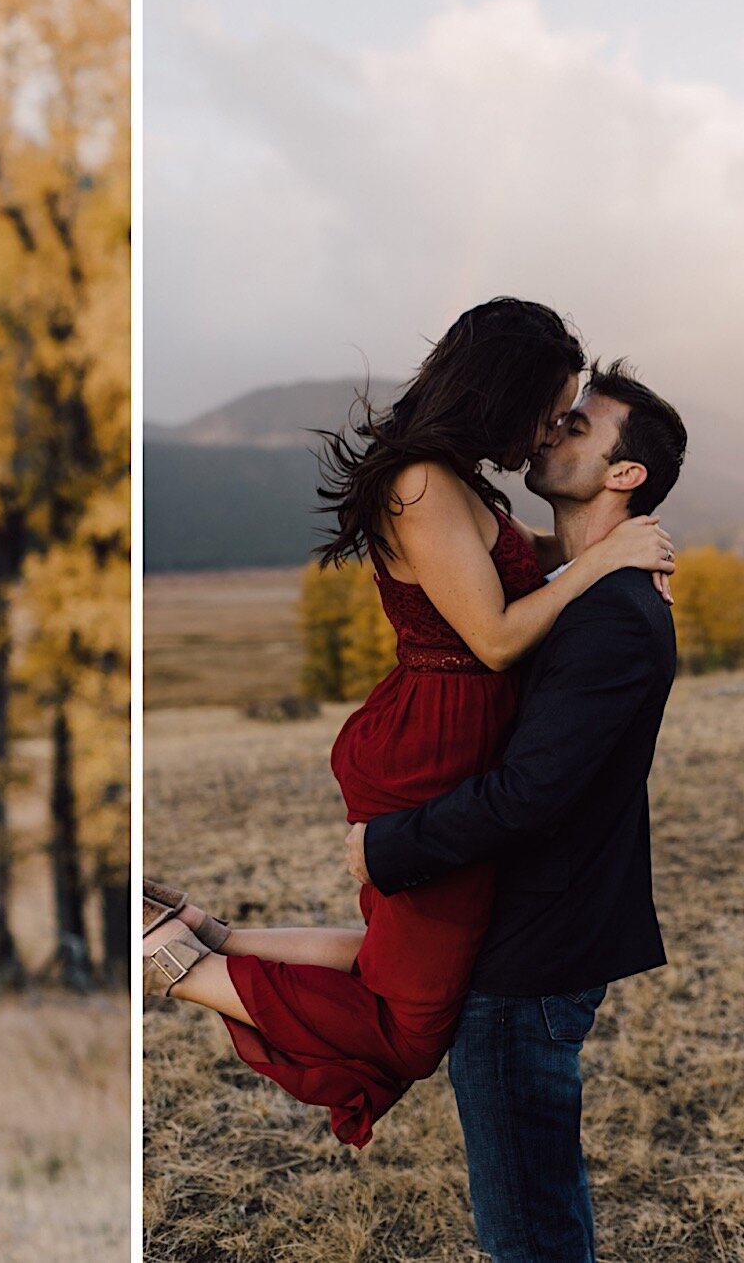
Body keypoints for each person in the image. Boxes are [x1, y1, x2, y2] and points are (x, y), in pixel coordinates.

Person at [141, 299, 676, 1151]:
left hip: (452, 733)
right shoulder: (420, 484)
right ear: (503, 393)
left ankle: (217, 936)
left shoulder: (456, 479)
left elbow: (518, 562)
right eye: (549, 407)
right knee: (413, 1022)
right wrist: (604, 560)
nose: (544, 430)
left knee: (397, 963)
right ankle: (185, 968)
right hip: (436, 741)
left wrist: (614, 555)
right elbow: (498, 639)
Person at [343, 360, 686, 1260]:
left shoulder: (613, 614)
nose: (554, 431)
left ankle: (185, 956)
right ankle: (197, 945)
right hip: (525, 934)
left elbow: (529, 794)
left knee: (528, 1236)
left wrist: (388, 847)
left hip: (530, 958)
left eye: (581, 427)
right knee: (536, 1216)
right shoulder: (590, 587)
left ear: (625, 476)